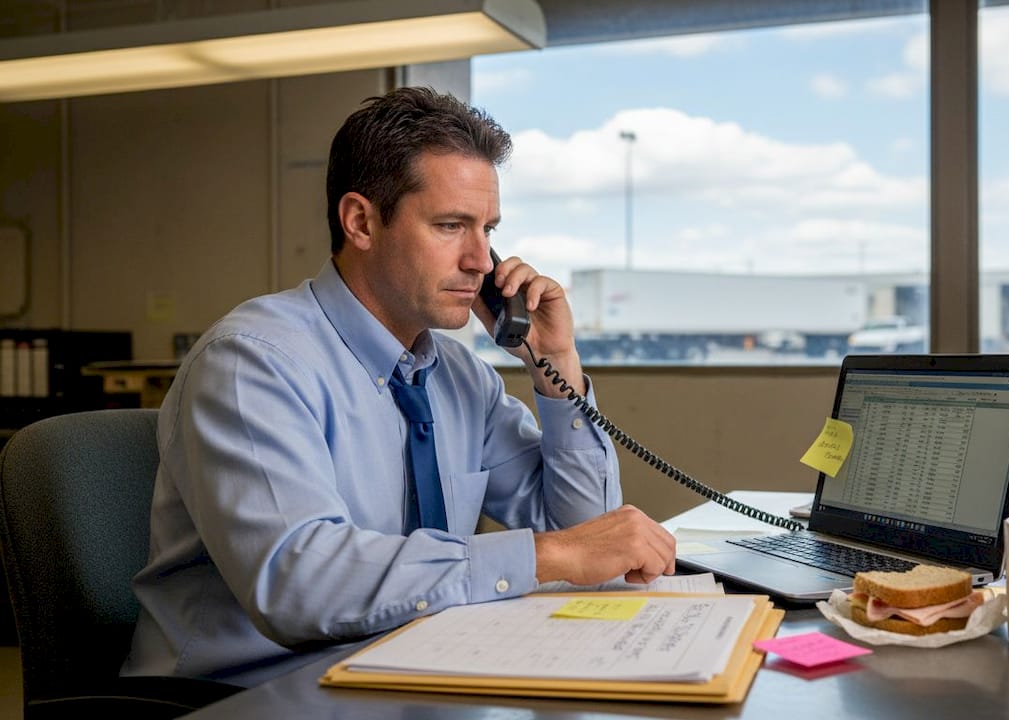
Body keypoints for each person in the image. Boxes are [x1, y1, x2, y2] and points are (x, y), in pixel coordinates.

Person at [122, 86, 676, 687]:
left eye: (488, 229)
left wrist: (555, 364)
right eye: (451, 226)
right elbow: (298, 583)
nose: (481, 261)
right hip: (250, 692)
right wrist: (546, 556)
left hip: (409, 669)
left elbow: (590, 537)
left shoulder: (462, 377)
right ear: (361, 222)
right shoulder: (252, 363)